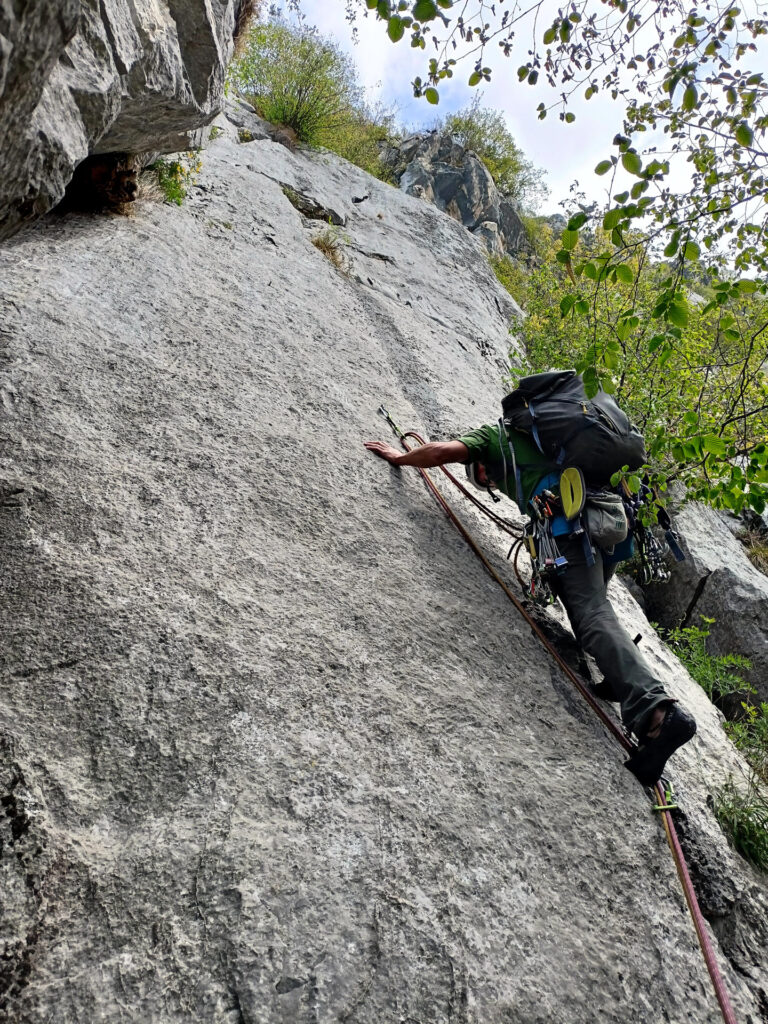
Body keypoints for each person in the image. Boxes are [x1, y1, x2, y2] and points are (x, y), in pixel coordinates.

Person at [364, 421, 696, 787]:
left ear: (480, 466)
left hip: (572, 525)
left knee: (591, 615)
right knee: (593, 606)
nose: (491, 482)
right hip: (609, 518)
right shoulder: (548, 438)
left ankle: (657, 712)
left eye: (485, 478)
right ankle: (619, 678)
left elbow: (442, 452)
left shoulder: (491, 439)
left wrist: (401, 458)